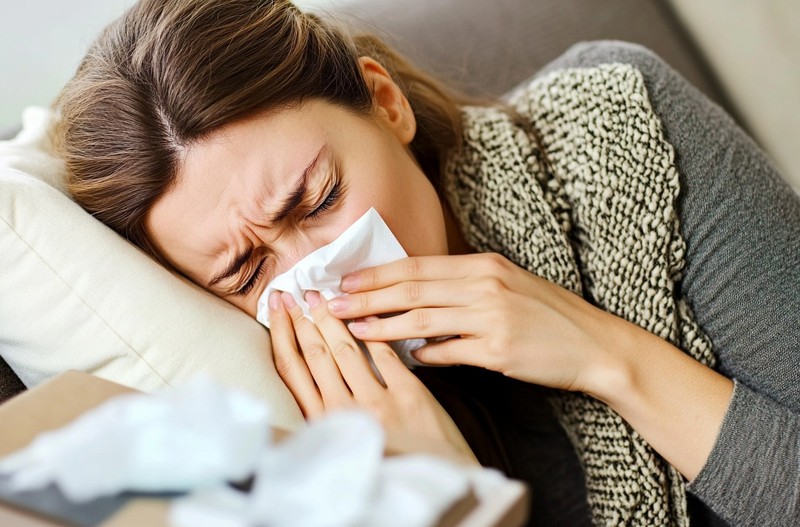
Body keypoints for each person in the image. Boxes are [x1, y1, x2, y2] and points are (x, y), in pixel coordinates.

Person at [52, 0, 800, 525]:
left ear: (385, 103)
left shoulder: (617, 132)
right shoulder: (286, 446)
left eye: (318, 200)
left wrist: (605, 354)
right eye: (248, 273)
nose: (323, 275)